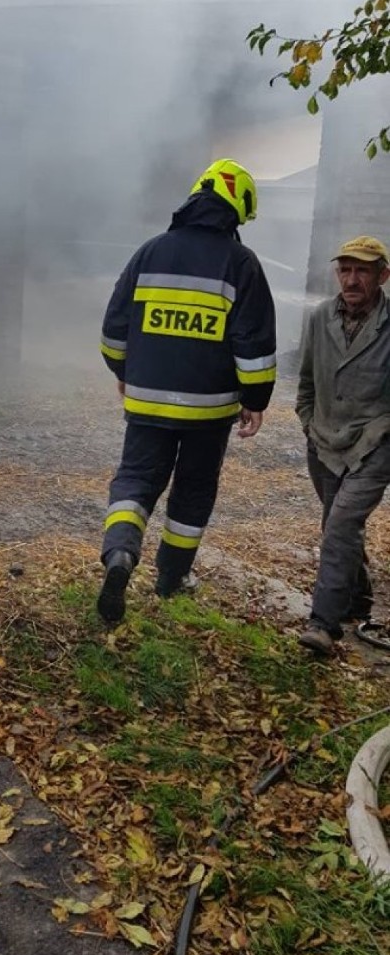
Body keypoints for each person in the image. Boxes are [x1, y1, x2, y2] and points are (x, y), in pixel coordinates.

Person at [97, 158, 277, 623]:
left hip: (146, 400)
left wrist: (125, 369)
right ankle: (171, 578)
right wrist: (255, 400)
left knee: (135, 480)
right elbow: (253, 345)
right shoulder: (241, 264)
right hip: (209, 411)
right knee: (193, 493)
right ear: (238, 211)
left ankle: (119, 554)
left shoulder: (150, 252)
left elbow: (114, 329)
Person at [296, 235, 390, 655]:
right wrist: (307, 423)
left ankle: (324, 623)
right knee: (337, 523)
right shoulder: (319, 318)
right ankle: (359, 599)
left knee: (339, 525)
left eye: (363, 270)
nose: (352, 279)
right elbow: (306, 383)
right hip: (324, 442)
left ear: (383, 276)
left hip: (374, 444)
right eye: (345, 269)